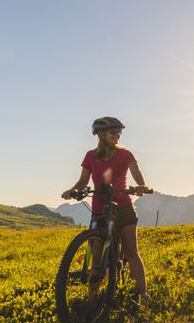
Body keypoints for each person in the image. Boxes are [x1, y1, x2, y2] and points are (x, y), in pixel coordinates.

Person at [62, 116, 152, 307]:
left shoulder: (125, 154)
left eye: (120, 131)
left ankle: (144, 295)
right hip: (99, 209)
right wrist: (74, 190)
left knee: (131, 252)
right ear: (101, 135)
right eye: (113, 132)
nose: (118, 135)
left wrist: (141, 185)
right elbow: (83, 181)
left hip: (124, 207)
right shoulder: (90, 156)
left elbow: (136, 172)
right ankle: (92, 300)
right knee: (96, 259)